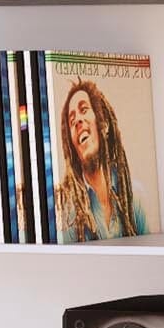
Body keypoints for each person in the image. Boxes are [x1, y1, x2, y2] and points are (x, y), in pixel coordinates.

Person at [54, 76, 151, 241]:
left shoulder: (135, 196)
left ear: (104, 124)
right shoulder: (68, 215)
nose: (77, 120)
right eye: (71, 120)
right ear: (72, 147)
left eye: (84, 109)